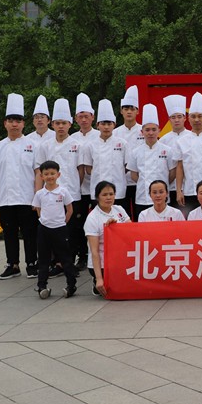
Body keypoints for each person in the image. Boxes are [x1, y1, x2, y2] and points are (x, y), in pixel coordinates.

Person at [0, 93, 39, 279]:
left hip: (27, 198)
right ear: (5, 123)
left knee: (29, 233)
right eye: (11, 121)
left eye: (18, 121)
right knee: (9, 233)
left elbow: (38, 173)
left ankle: (32, 263)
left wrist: (37, 196)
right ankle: (13, 264)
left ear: (23, 124)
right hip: (6, 198)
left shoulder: (33, 145)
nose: (14, 124)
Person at [34, 99, 82, 279]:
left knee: (71, 231)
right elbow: (39, 172)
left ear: (70, 124)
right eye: (57, 123)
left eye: (64, 123)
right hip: (49, 195)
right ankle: (57, 263)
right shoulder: (45, 146)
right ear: (52, 124)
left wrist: (74, 187)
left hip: (72, 194)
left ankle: (69, 263)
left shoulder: (77, 144)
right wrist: (38, 195)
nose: (61, 126)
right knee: (52, 231)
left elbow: (80, 171)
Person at [31, 160, 77, 299]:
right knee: (43, 259)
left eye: (52, 173)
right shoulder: (40, 194)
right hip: (44, 229)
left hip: (60, 229)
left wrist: (62, 222)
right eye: (46, 174)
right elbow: (38, 209)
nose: (50, 176)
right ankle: (42, 286)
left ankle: (71, 285)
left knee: (65, 258)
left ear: (58, 174)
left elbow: (70, 209)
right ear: (41, 176)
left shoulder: (63, 191)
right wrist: (44, 220)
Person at [127, 103, 181, 221]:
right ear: (142, 132)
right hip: (142, 197)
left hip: (163, 197)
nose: (150, 133)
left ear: (159, 131)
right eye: (147, 130)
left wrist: (162, 185)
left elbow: (172, 173)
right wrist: (144, 183)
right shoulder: (135, 152)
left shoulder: (168, 150)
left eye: (153, 129)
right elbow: (134, 175)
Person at [79, 99, 128, 223]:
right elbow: (88, 169)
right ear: (97, 125)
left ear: (114, 125)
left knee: (119, 221)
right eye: (103, 124)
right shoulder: (90, 145)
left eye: (109, 124)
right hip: (97, 189)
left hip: (118, 189)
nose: (106, 127)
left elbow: (127, 166)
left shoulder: (122, 143)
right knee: (98, 221)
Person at [83, 180, 130, 297]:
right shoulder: (92, 218)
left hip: (120, 258)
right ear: (97, 197)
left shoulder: (119, 209)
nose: (108, 197)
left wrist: (117, 227)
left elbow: (131, 230)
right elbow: (94, 251)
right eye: (104, 195)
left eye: (111, 194)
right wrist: (99, 278)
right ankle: (96, 280)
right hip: (103, 262)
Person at [69, 92, 99, 271]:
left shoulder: (100, 135)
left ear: (93, 117)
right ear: (75, 119)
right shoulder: (71, 138)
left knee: (96, 223)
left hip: (96, 189)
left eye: (87, 116)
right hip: (78, 190)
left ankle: (97, 255)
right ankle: (81, 255)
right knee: (78, 224)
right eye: (80, 117)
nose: (84, 120)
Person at [114, 85, 144, 215]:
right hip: (121, 182)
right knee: (123, 214)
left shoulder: (144, 130)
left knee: (139, 214)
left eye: (132, 109)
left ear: (137, 111)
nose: (129, 112)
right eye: (126, 109)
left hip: (139, 181)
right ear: (121, 111)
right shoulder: (115, 133)